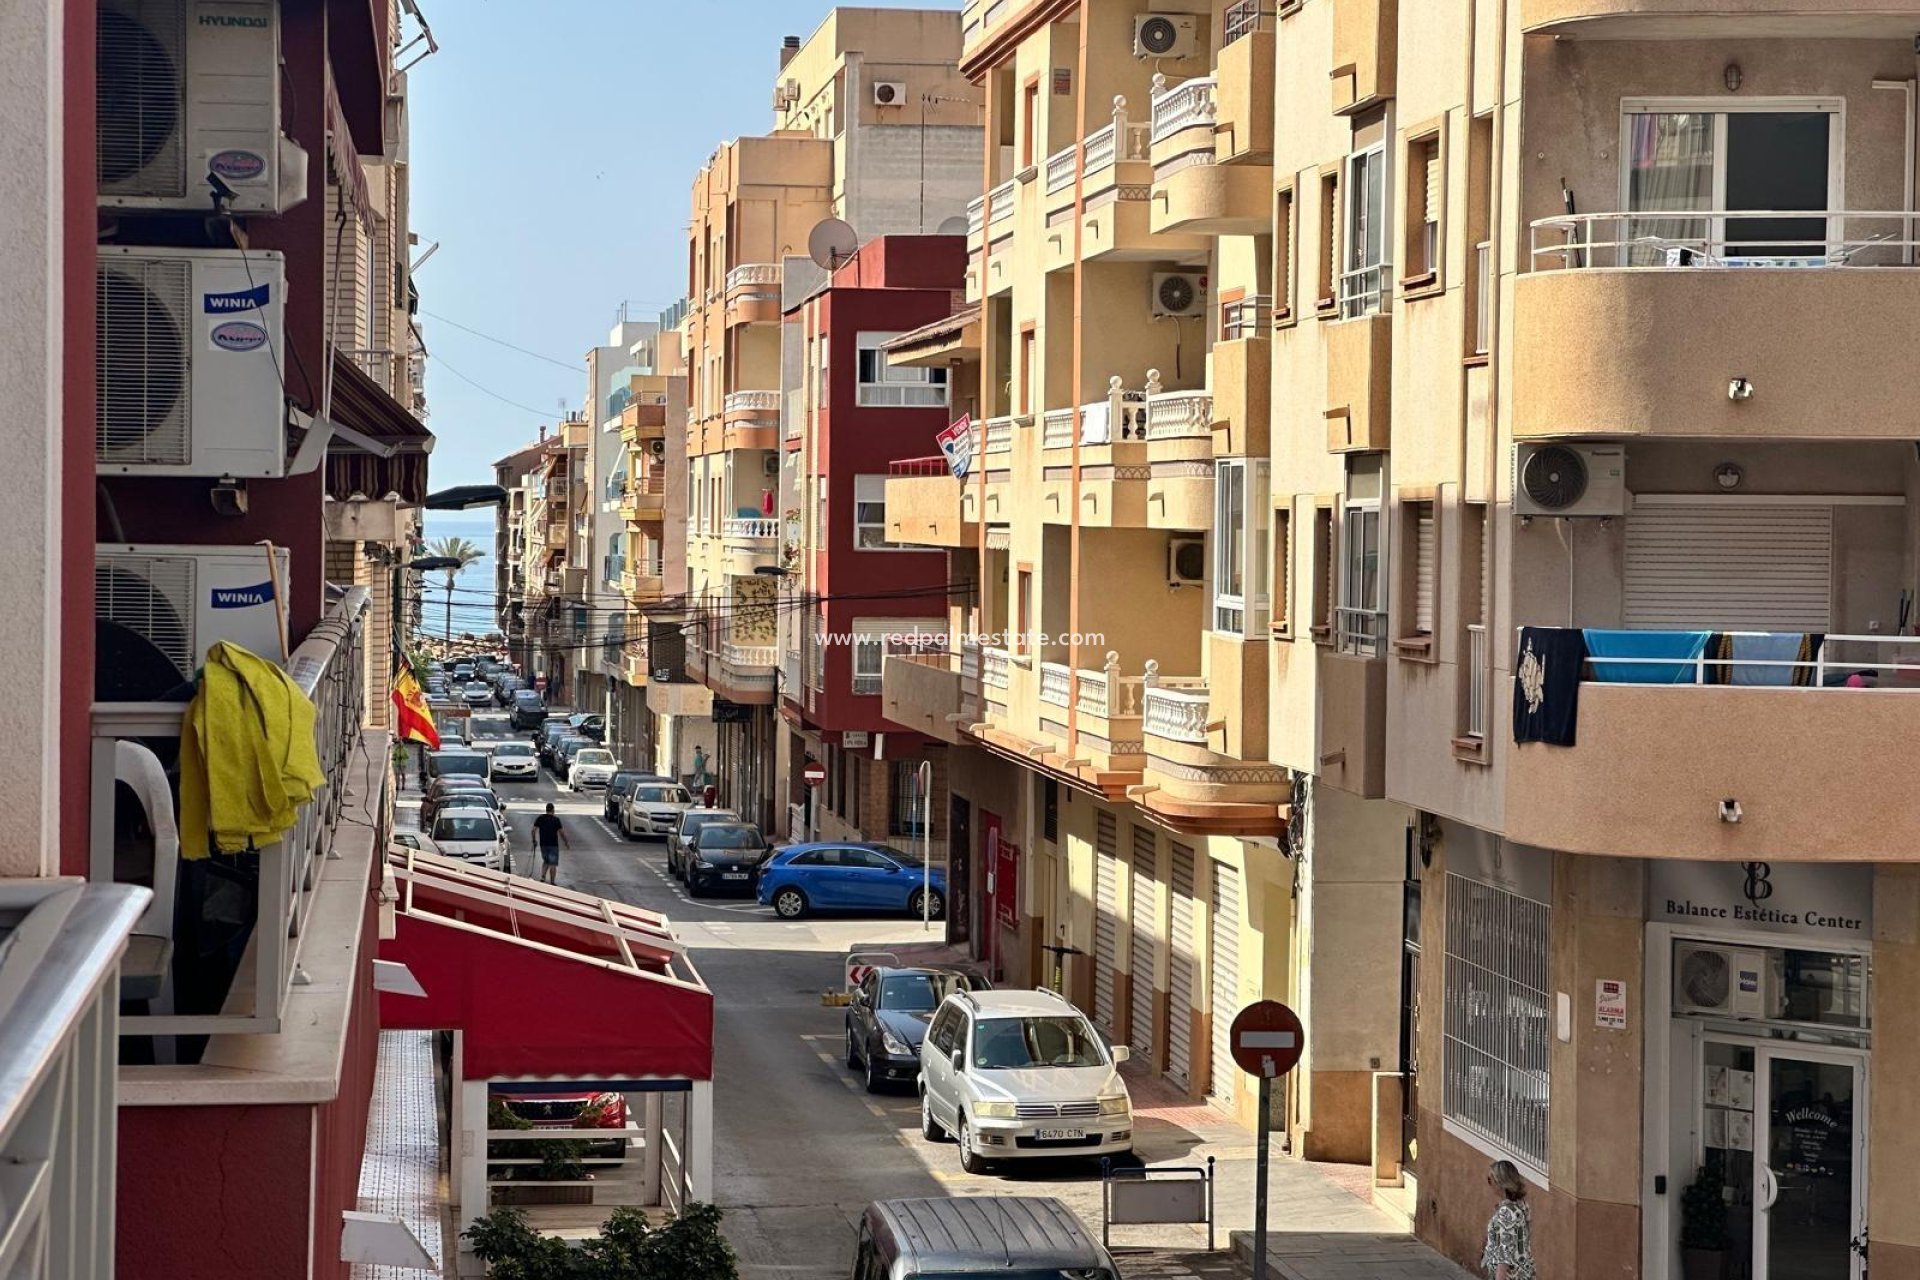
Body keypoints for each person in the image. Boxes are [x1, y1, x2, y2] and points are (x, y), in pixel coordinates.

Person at [1482, 1160, 1535, 1280]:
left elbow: (1504, 1252)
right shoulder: (1522, 1205)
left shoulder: (1506, 1212)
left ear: (1499, 1182)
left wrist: (1499, 1277)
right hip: (1524, 1270)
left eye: (1490, 1180)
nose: (1489, 1185)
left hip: (1509, 1274)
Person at [532, 802, 569, 885]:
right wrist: (566, 842)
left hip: (543, 844)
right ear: (553, 810)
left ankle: (542, 877)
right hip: (553, 845)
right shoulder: (556, 820)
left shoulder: (540, 818)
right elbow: (561, 833)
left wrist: (534, 840)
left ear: (546, 810)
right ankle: (552, 881)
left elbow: (533, 830)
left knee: (546, 861)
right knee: (552, 863)